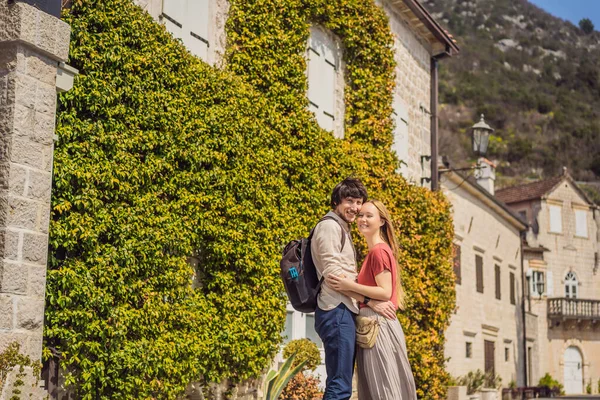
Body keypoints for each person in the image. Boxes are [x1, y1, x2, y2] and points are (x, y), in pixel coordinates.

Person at [312, 179, 396, 400]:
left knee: (341, 383)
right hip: (336, 309)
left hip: (342, 310)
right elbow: (334, 278)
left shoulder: (341, 227)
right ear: (336, 201)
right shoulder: (330, 226)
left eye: (359, 202)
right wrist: (370, 300)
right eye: (349, 201)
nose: (356, 208)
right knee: (340, 386)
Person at [326, 199, 417, 400]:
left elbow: (385, 292)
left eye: (369, 215)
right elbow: (371, 295)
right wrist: (362, 296)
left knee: (384, 390)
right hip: (373, 325)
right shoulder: (375, 251)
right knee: (378, 390)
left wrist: (350, 286)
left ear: (382, 221)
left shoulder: (378, 251)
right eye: (360, 215)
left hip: (378, 326)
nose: (362, 220)